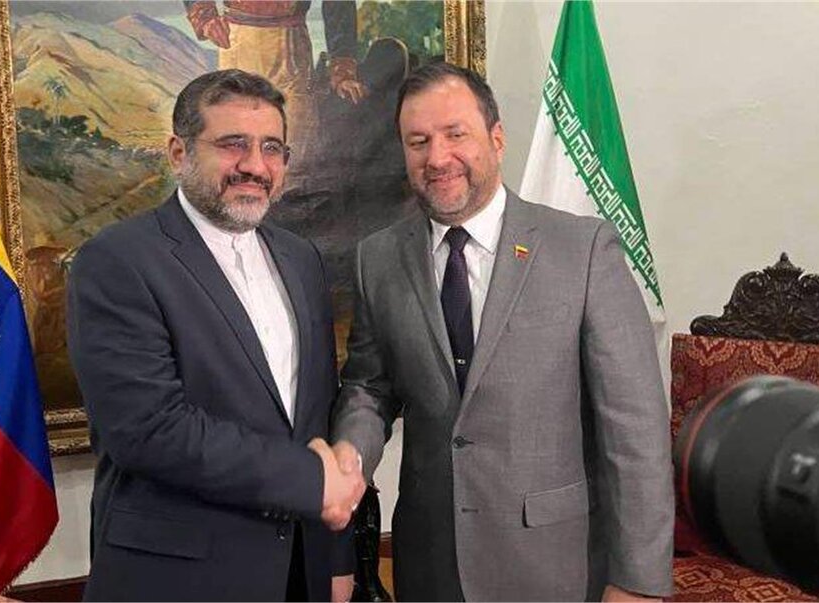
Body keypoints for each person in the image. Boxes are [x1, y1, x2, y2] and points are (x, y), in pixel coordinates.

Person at [331, 62, 674, 601]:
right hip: (430, 563)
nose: (437, 157)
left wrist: (638, 581)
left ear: (496, 138)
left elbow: (636, 429)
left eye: (455, 134)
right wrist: (350, 457)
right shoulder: (377, 258)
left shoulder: (584, 250)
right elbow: (369, 387)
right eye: (418, 141)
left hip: (553, 565)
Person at [67, 69, 365, 602]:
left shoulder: (300, 258)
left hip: (302, 573)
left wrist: (336, 558)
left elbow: (317, 413)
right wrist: (311, 481)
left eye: (271, 148)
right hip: (179, 581)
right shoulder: (116, 261)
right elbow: (148, 429)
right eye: (233, 144)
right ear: (179, 153)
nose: (254, 165)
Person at [183, 0, 367, 177]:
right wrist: (205, 17)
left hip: (291, 51)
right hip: (237, 44)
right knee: (234, 154)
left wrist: (343, 69)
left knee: (295, 155)